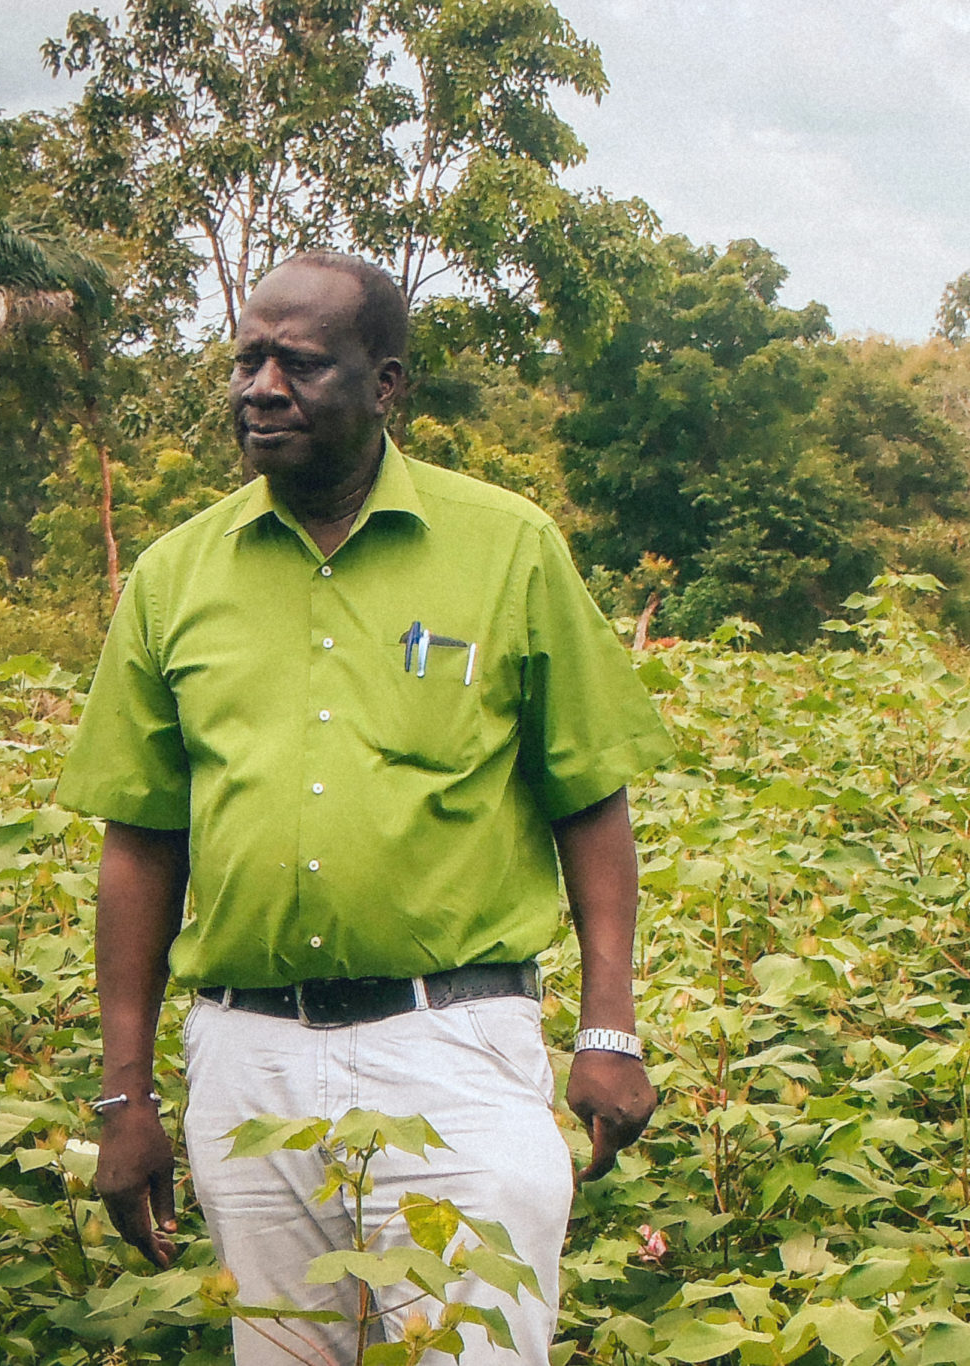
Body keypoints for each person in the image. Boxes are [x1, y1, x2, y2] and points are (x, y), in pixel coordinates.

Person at [54, 252, 674, 1366]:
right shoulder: (174, 575)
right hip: (250, 1056)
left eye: (299, 362)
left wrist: (607, 1027)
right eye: (246, 358)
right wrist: (123, 1096)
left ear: (386, 385)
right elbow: (141, 847)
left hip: (453, 1043)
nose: (260, 387)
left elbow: (590, 801)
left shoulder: (505, 547)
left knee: (475, 1348)